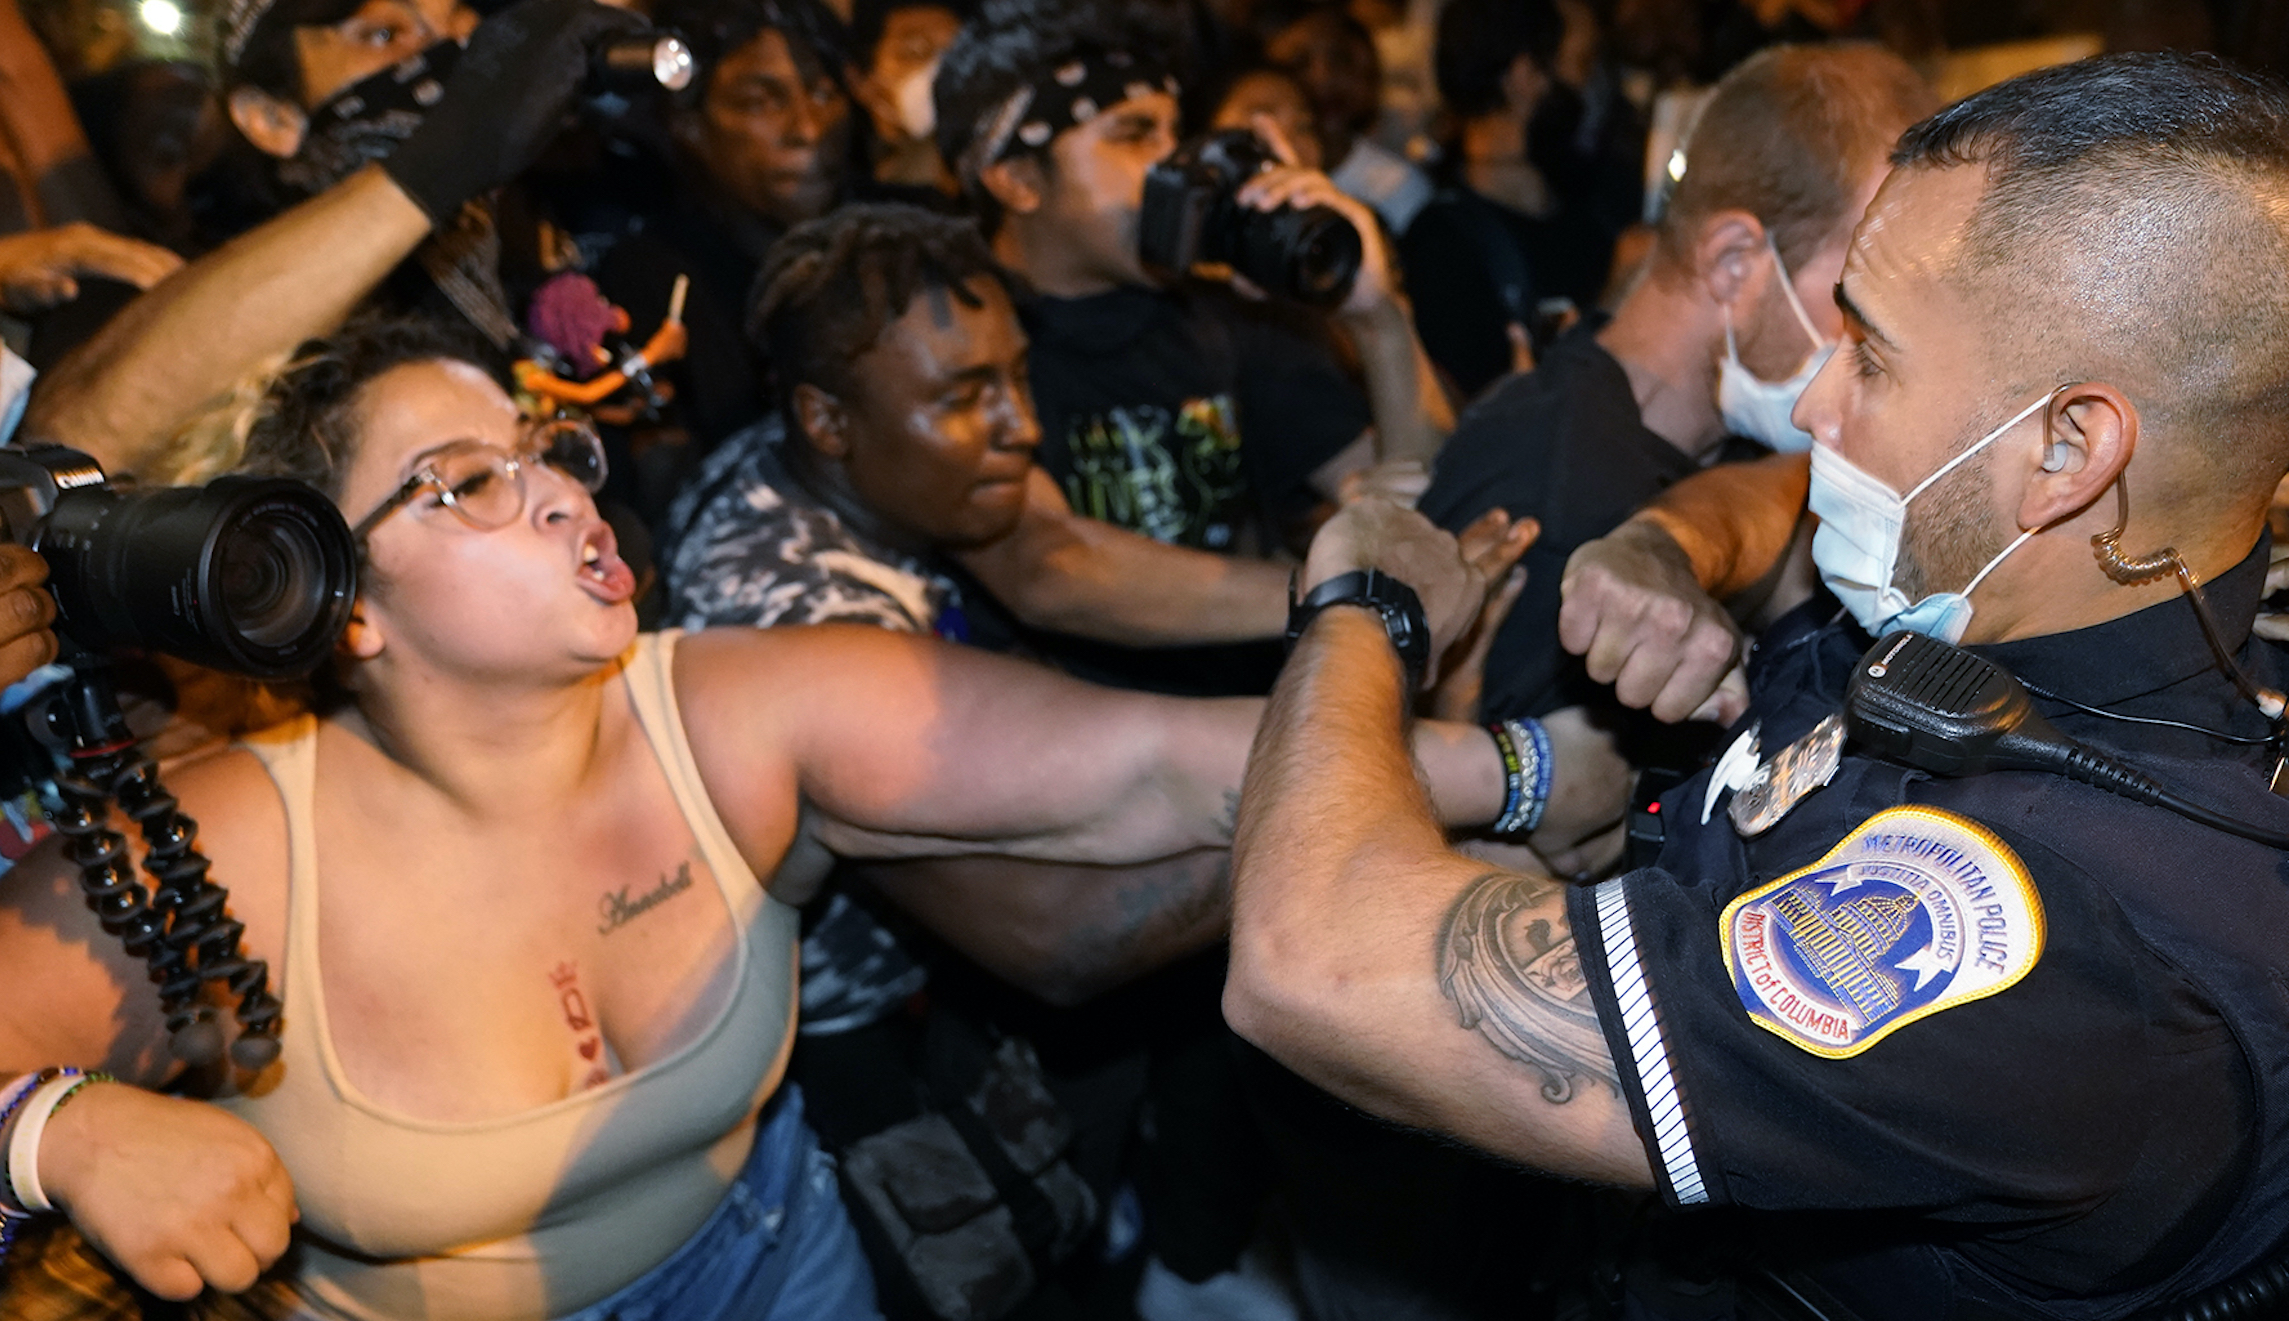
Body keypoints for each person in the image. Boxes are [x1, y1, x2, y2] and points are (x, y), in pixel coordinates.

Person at [0, 312, 1522, 1318]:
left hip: (782, 1265)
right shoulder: (222, 849)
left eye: (547, 449)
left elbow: (1160, 765)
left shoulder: (736, 703)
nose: (559, 492)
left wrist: (1524, 769)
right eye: (467, 481)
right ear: (333, 603)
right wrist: (53, 1129)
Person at [1228, 50, 2289, 1318]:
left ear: (2068, 449)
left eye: (1872, 358)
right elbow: (1782, 494)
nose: (1816, 403)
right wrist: (1669, 546)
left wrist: (1363, 606)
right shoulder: (2006, 590)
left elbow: (1310, 962)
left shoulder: (2068, 958)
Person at [1416, 43, 1932, 770]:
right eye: (1859, 290)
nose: (1885, 327)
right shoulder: (1558, 506)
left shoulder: (1672, 421)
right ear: (1733, 261)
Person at [933, 0, 1450, 564]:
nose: (1175, 163)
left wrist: (1377, 318)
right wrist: (1329, 592)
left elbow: (1426, 515)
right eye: (1134, 135)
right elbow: (1054, 572)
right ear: (1018, 180)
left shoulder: (1230, 316)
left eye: (1174, 132)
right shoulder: (954, 343)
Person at [1400, 0, 1642, 399]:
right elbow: (1488, 417)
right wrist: (1612, 306)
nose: (1592, 87)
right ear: (1525, 76)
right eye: (1582, 64)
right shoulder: (1443, 244)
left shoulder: (1598, 200)